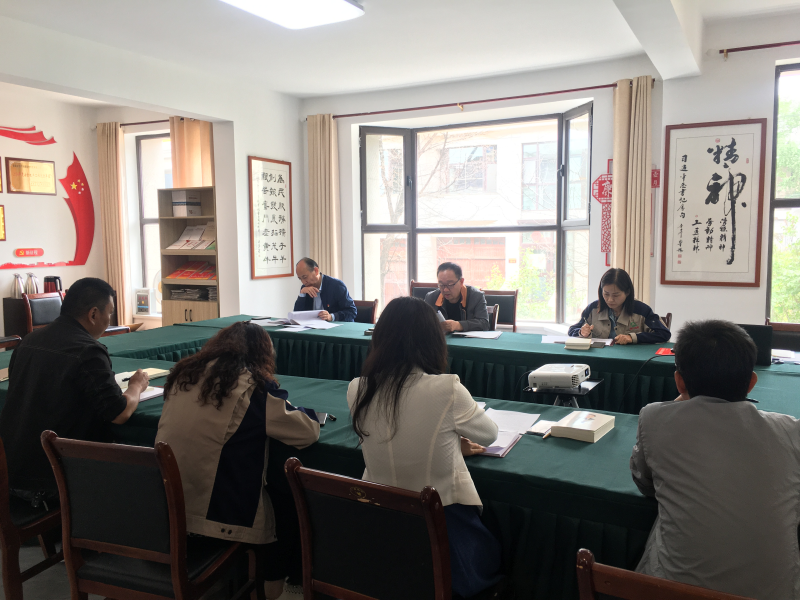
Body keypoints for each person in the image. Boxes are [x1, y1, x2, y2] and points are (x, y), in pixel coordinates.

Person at [630, 320, 800, 599]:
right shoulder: (791, 431)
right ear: (752, 383)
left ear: (679, 381)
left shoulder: (653, 419)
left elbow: (645, 484)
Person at [347, 296, 503, 599]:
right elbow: (489, 434)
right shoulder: (446, 388)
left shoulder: (357, 388)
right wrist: (453, 443)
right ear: (432, 340)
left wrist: (447, 442)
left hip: (379, 524)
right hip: (445, 529)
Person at [156, 321, 320, 599]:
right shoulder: (252, 387)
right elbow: (307, 432)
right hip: (215, 516)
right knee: (287, 500)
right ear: (263, 355)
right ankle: (273, 587)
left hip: (166, 509)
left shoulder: (183, 376)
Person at [0, 277, 149, 503]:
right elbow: (119, 413)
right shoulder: (88, 351)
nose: (109, 321)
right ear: (93, 314)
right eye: (109, 313)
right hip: (53, 480)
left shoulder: (28, 341)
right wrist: (136, 386)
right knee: (143, 480)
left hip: (10, 473)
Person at [568, 268, 670, 344]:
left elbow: (664, 334)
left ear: (627, 292)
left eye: (616, 295)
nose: (610, 299)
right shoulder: (593, 308)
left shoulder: (641, 310)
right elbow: (572, 330)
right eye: (606, 294)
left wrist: (632, 338)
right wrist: (581, 332)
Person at [424, 262, 489, 332]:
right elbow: (422, 323)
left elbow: (484, 324)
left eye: (450, 284)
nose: (445, 289)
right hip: (441, 338)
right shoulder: (431, 297)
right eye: (441, 285)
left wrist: (458, 325)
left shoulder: (476, 296)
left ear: (461, 282)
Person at [293, 257, 356, 322]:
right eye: (300, 279)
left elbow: (351, 311)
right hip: (313, 327)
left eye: (305, 277)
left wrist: (331, 316)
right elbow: (296, 316)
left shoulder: (336, 286)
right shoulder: (305, 288)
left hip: (336, 326)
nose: (303, 282)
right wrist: (302, 295)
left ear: (316, 271)